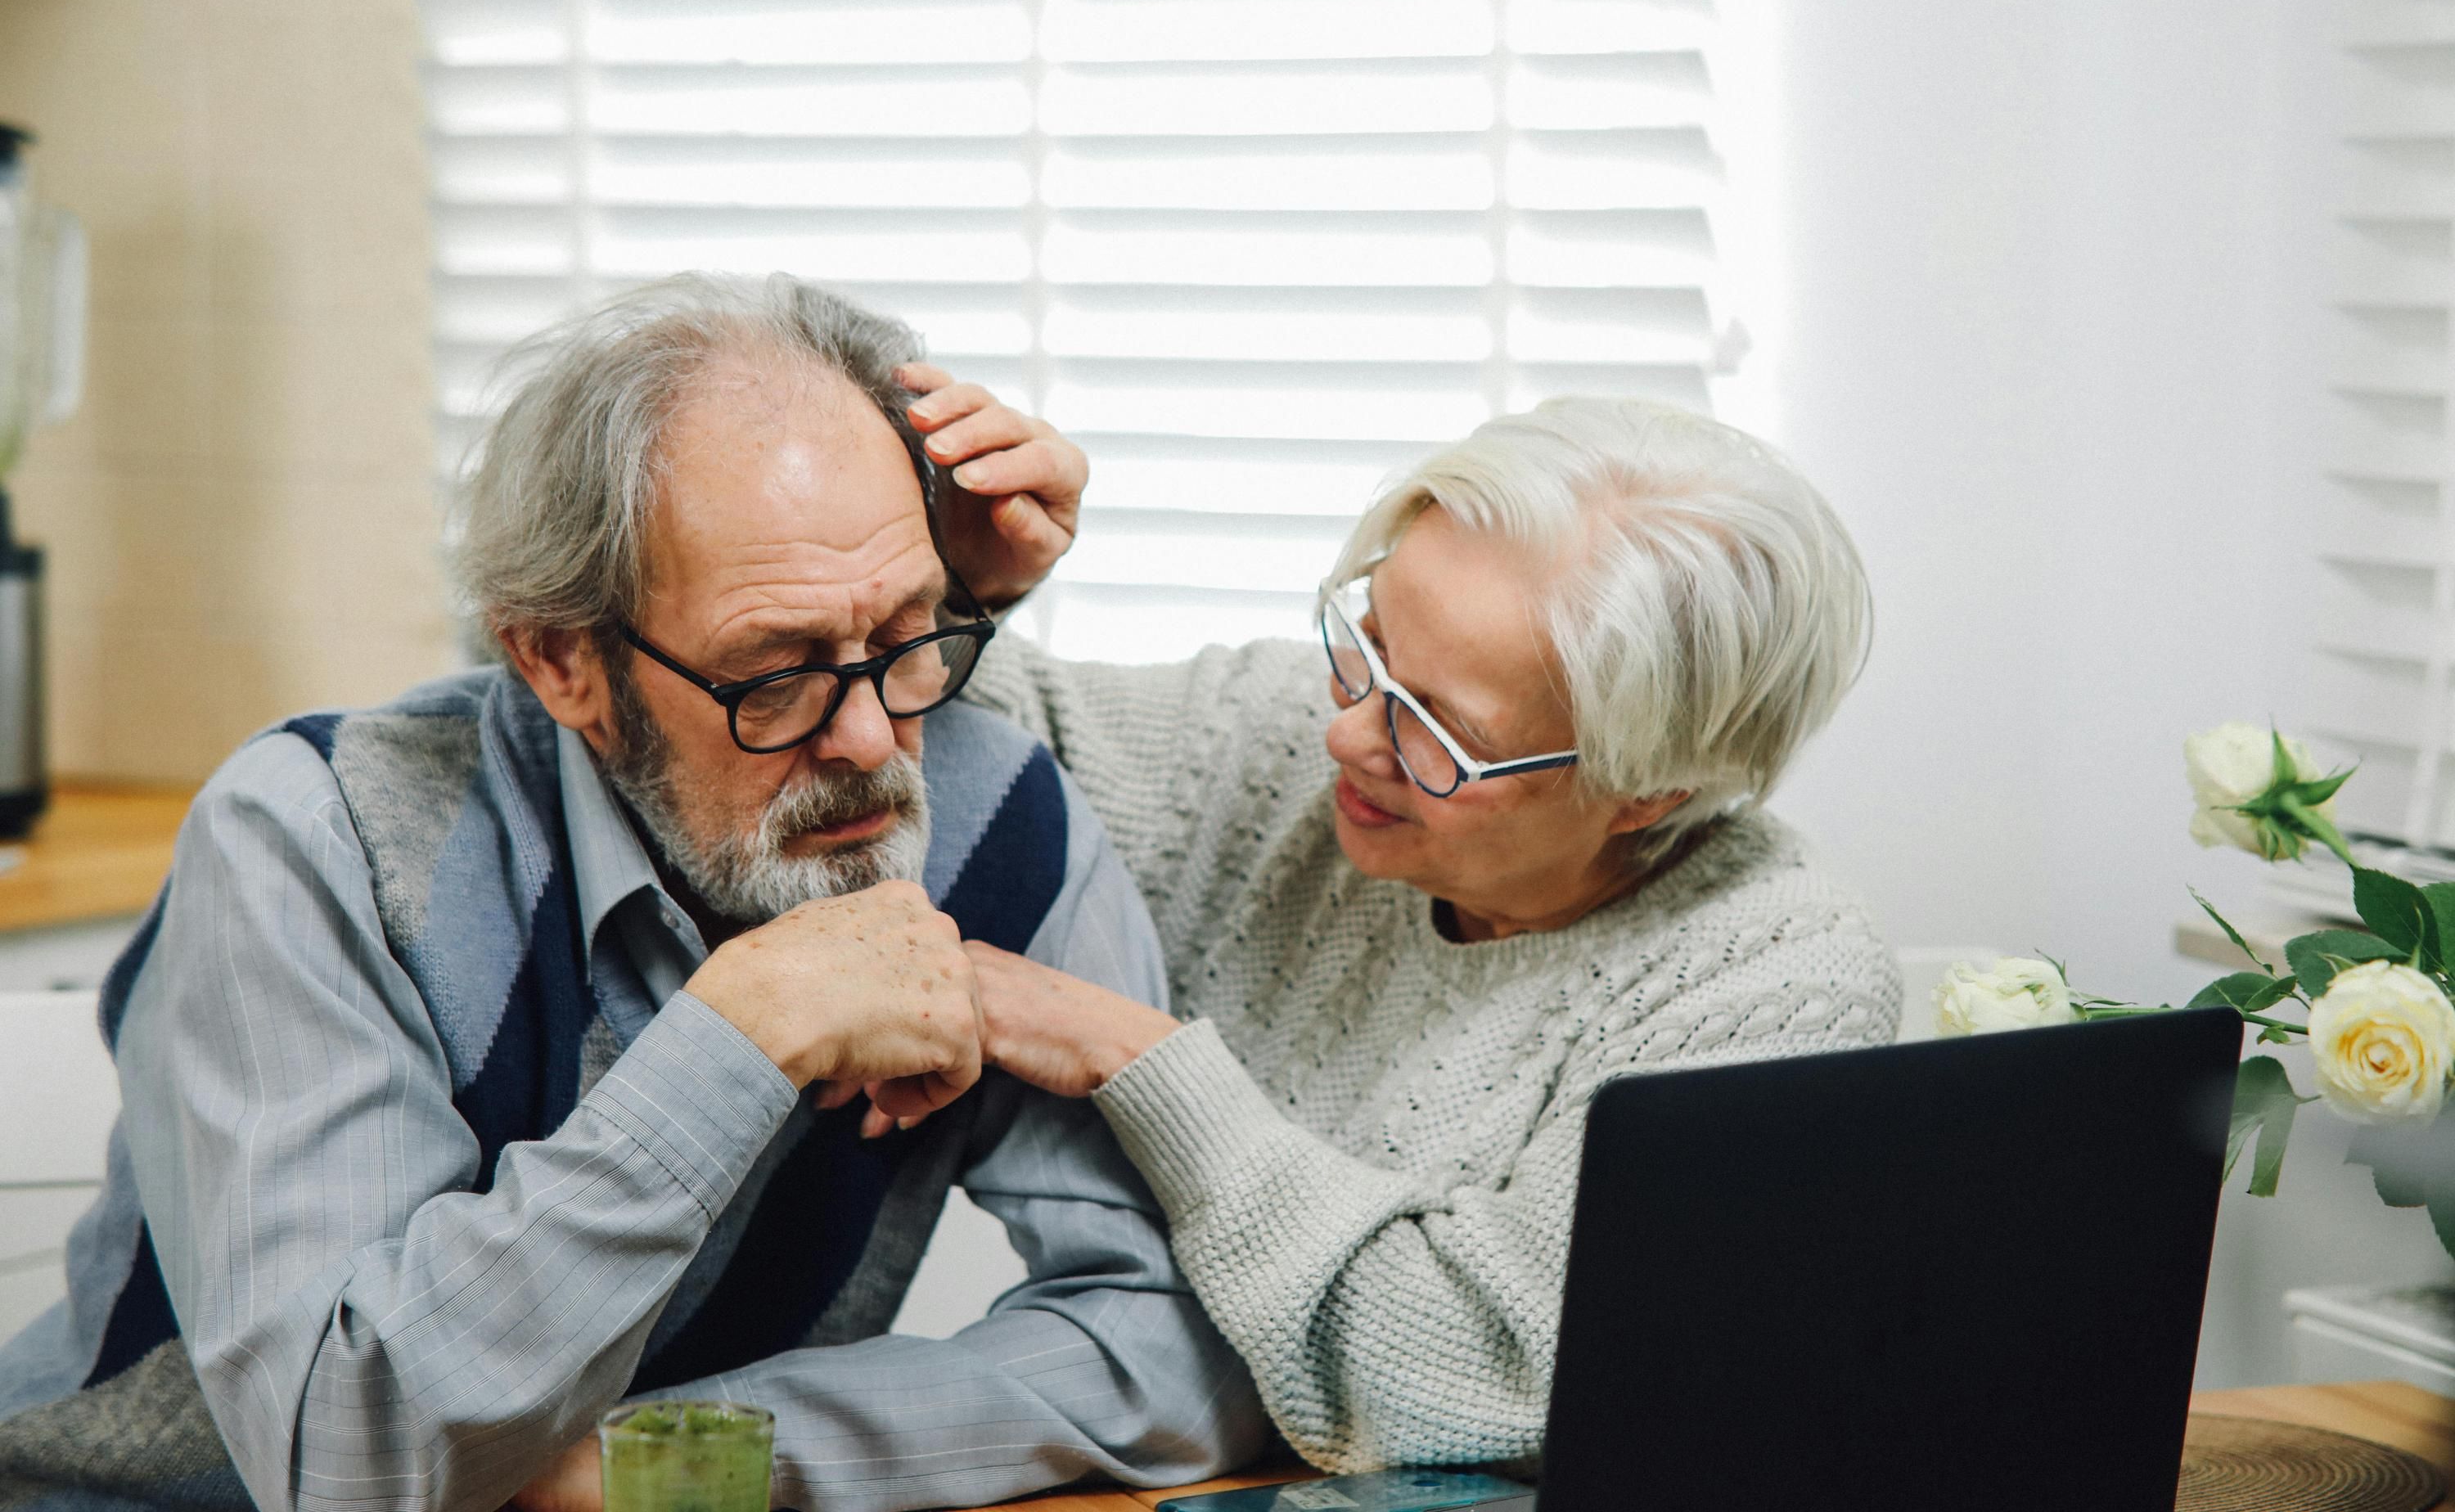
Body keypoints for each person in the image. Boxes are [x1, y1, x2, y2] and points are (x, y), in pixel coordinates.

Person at [0, 274, 1267, 1512]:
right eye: (775, 671)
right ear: (563, 661)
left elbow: (1181, 1337)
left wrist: (687, 1464)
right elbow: (347, 1454)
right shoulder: (313, 838)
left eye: (909, 631)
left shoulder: (988, 810)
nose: (876, 740)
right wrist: (743, 1036)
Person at [902, 394, 1901, 1474]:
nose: (1344, 731)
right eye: (1366, 643)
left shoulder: (1772, 987)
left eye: (1441, 733)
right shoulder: (1294, 736)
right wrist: (952, 594)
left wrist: (1139, 1061)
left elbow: (1484, 1382)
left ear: (1647, 790)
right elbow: (983, 766)